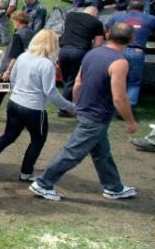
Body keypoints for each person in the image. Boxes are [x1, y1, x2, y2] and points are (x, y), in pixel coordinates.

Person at [30, 23, 139, 202]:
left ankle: (114, 187)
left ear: (107, 34)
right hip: (96, 116)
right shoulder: (120, 62)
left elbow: (78, 82)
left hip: (87, 112)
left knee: (102, 152)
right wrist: (130, 121)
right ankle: (43, 183)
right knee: (72, 152)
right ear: (131, 40)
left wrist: (77, 105)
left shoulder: (92, 53)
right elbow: (119, 97)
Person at [0, 30, 76, 181]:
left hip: (14, 103)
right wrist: (70, 107)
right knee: (38, 140)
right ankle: (26, 173)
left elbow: (12, 80)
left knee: (8, 136)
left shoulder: (22, 56)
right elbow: (51, 92)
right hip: (34, 109)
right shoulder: (47, 64)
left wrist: (19, 93)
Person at [105, 0, 155, 108]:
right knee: (134, 81)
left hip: (118, 50)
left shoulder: (117, 17)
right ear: (142, 10)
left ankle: (110, 103)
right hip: (137, 51)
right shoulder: (151, 19)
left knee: (114, 77)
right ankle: (128, 107)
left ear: (128, 8)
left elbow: (106, 29)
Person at [0, 11, 33, 120]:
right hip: (25, 69)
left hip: (13, 69)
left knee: (0, 91)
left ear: (18, 21)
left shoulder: (18, 35)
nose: (13, 23)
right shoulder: (31, 33)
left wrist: (8, 71)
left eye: (14, 21)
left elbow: (15, 56)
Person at [57, 5, 104, 114]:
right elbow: (98, 44)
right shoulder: (97, 23)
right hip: (79, 52)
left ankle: (67, 102)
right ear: (96, 13)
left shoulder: (70, 15)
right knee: (73, 81)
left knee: (66, 80)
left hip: (64, 50)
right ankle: (65, 109)